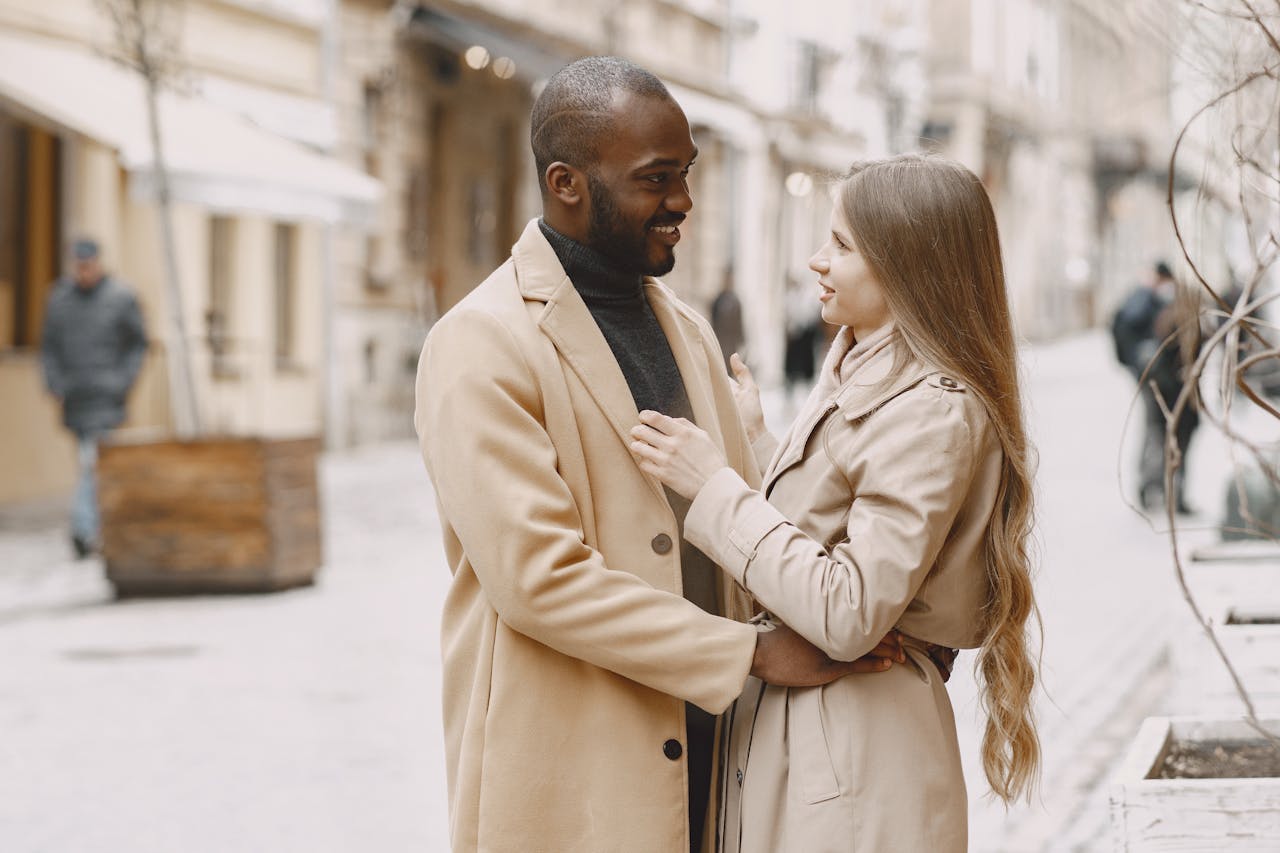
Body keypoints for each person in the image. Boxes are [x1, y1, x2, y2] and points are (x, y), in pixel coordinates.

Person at [413, 57, 904, 853]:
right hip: (573, 780)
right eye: (656, 178)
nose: (683, 201)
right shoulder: (480, 341)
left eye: (687, 173)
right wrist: (751, 652)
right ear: (568, 182)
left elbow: (739, 513)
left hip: (709, 774)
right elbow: (539, 579)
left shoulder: (687, 326)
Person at [632, 154, 1041, 852]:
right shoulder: (863, 364)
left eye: (843, 245)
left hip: (857, 746)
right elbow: (829, 527)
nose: (818, 261)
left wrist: (714, 487)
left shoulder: (933, 409)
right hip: (807, 731)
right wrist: (759, 442)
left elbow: (849, 608)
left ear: (907, 263)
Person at [40, 238, 148, 558]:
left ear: (98, 263)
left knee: (91, 462)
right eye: (79, 266)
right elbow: (48, 346)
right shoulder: (59, 299)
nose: (84, 272)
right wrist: (54, 383)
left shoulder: (121, 297)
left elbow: (138, 343)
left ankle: (83, 529)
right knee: (90, 464)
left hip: (106, 396)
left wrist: (122, 381)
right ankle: (98, 525)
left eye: (89, 265)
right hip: (75, 397)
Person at [1111, 260, 1200, 512]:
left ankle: (1158, 490)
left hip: (1165, 386)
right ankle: (1155, 489)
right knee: (1160, 436)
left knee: (1160, 436)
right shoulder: (1150, 304)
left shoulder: (1158, 305)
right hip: (1162, 386)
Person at [709, 269, 745, 373]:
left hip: (731, 342)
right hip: (720, 339)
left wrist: (741, 339)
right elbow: (713, 319)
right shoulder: (718, 299)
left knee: (731, 365)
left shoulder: (735, 301)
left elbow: (739, 321)